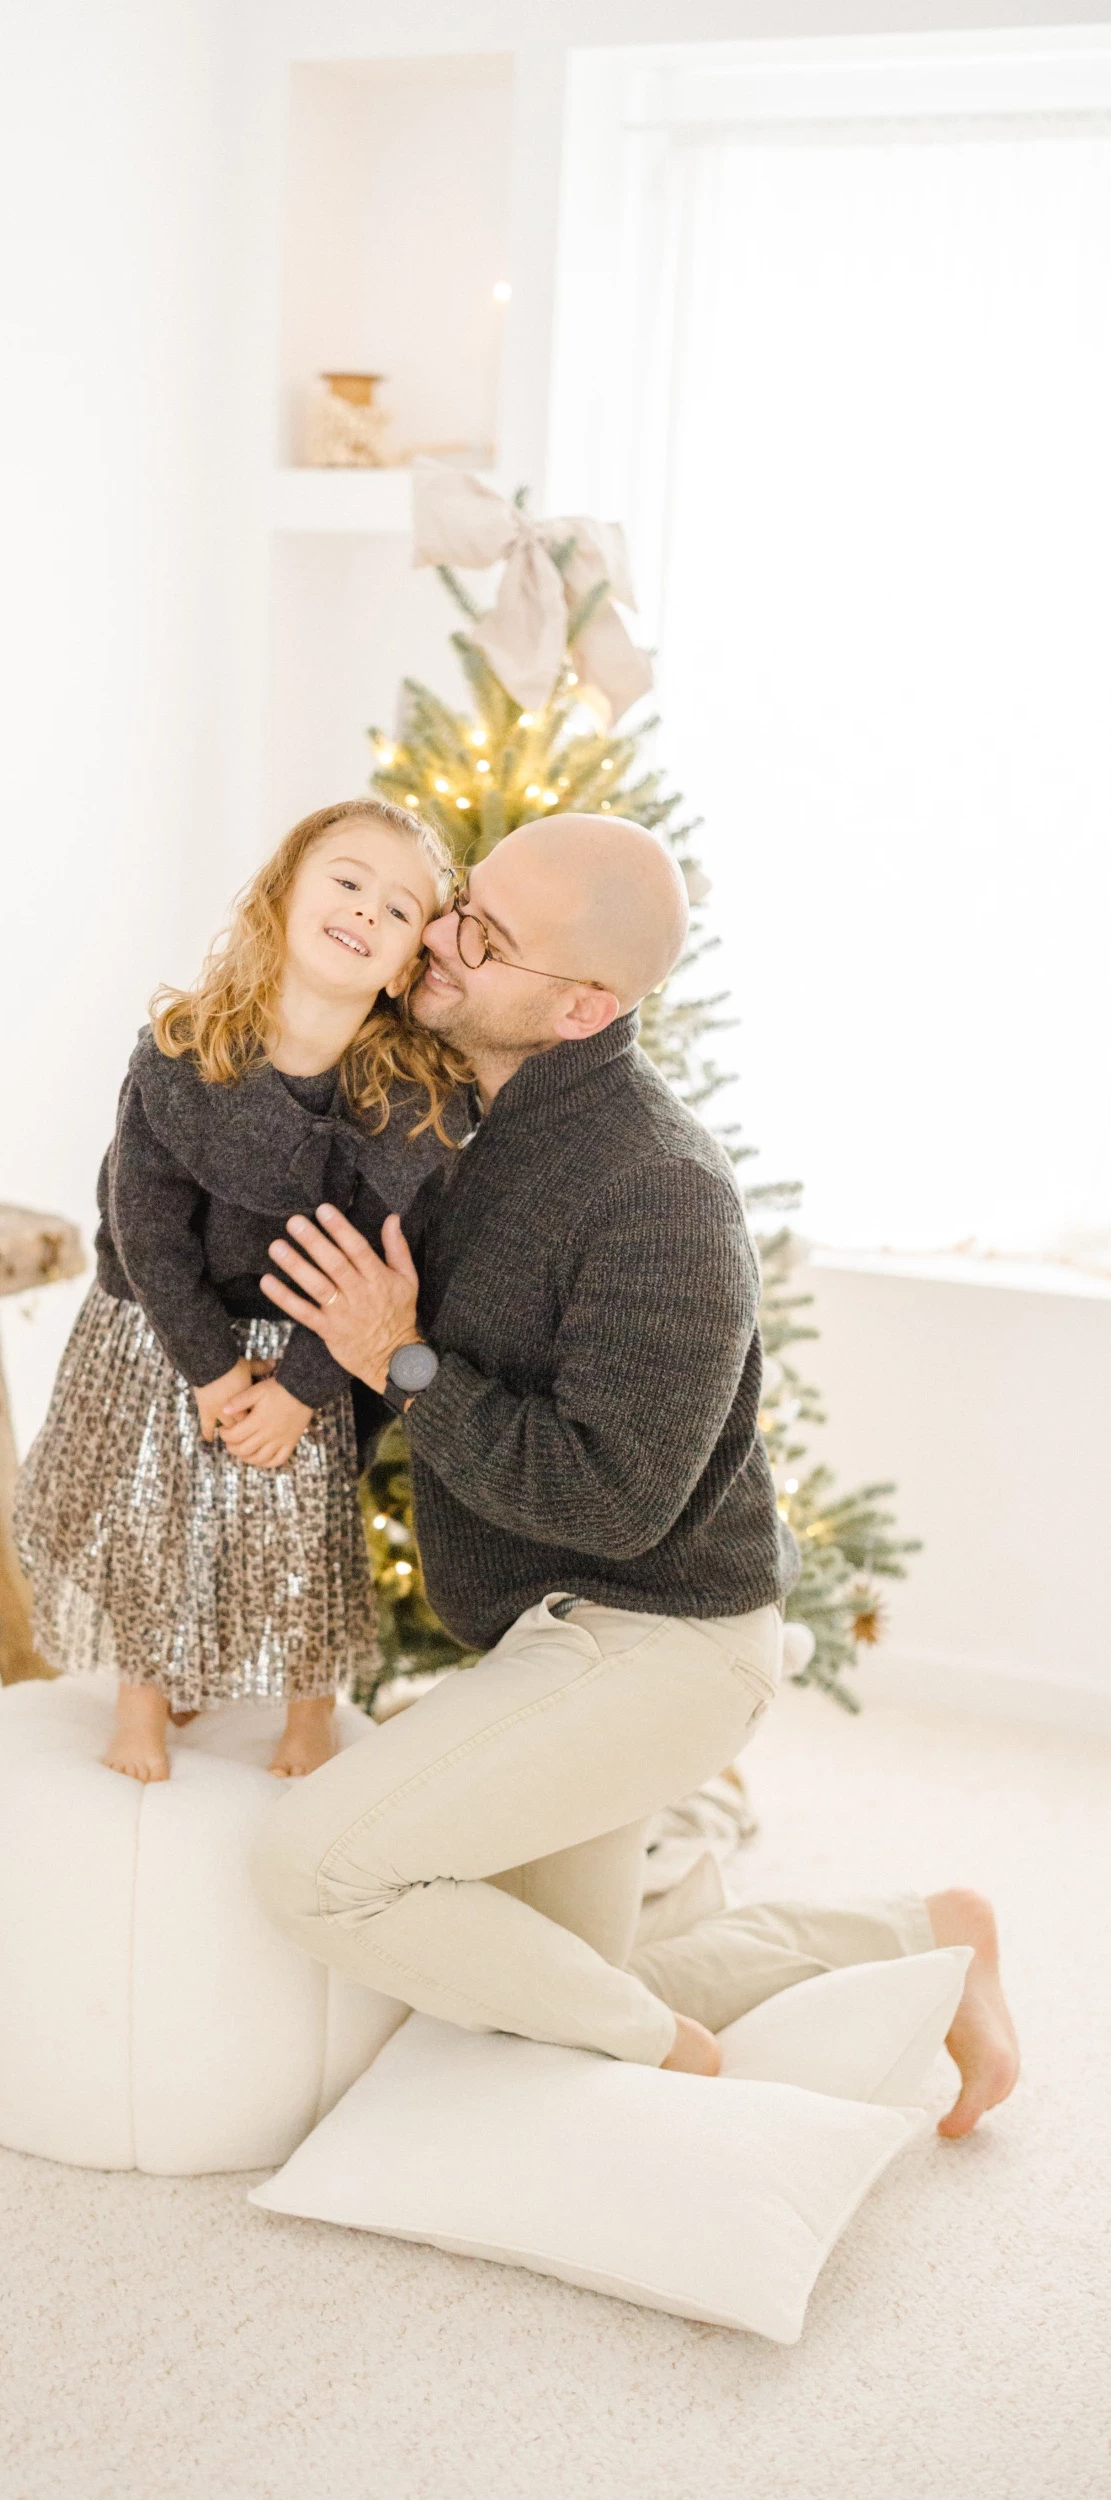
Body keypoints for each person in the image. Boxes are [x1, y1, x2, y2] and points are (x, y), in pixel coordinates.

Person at [253, 814, 1019, 2137]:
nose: (433, 938)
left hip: (662, 1645)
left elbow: (610, 1499)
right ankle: (923, 1929)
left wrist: (402, 1361)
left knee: (310, 1869)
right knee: (573, 1980)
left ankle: (669, 2066)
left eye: (475, 935)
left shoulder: (657, 1190)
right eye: (458, 899)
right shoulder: (474, 1109)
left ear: (580, 1005)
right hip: (558, 1636)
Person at [14, 799, 469, 1785]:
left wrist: (300, 1389)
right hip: (167, 1319)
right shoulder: (180, 1054)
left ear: (404, 965)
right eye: (345, 881)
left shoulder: (401, 1103)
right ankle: (145, 1696)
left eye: (397, 910)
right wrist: (214, 1376)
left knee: (303, 1518)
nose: (364, 910)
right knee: (152, 1507)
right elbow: (146, 1231)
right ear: (283, 895)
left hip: (313, 1338)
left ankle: (310, 1708)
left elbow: (378, 1269)